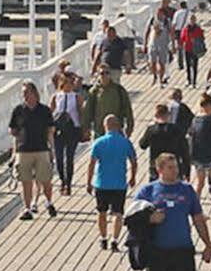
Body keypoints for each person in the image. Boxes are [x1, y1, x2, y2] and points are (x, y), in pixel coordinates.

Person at [9, 81, 57, 220]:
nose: (24, 96)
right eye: (23, 93)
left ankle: (48, 201)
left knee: (45, 179)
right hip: (23, 150)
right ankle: (27, 208)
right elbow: (14, 132)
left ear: (34, 93)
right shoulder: (18, 110)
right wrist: (14, 153)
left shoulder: (44, 110)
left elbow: (50, 131)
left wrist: (51, 150)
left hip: (41, 149)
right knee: (26, 181)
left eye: (26, 92)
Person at [89, 115, 138, 251]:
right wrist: (133, 177)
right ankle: (115, 240)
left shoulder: (99, 142)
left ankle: (103, 238)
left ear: (105, 126)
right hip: (119, 184)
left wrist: (89, 182)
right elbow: (134, 161)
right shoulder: (125, 142)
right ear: (118, 126)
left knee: (101, 212)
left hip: (101, 183)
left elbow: (91, 164)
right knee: (118, 213)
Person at [49, 72, 84, 196]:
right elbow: (50, 113)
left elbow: (81, 113)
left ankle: (68, 184)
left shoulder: (76, 97)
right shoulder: (56, 97)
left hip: (72, 129)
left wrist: (83, 129)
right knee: (59, 157)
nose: (68, 85)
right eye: (66, 82)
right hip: (58, 131)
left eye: (71, 82)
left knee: (69, 157)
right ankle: (62, 180)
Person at [188, 93, 211, 202]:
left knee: (200, 182)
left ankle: (195, 206)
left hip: (197, 154)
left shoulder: (196, 119)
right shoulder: (210, 120)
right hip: (209, 155)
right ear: (209, 106)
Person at [140, 102, 190, 181]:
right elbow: (185, 151)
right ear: (168, 115)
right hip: (173, 167)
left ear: (156, 115)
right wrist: (187, 171)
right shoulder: (176, 129)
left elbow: (142, 145)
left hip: (156, 167)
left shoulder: (151, 130)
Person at [82, 67, 135, 139]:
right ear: (98, 75)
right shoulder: (94, 91)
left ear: (110, 75)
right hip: (99, 131)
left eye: (107, 73)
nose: (104, 75)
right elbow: (88, 111)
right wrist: (86, 128)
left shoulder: (119, 90)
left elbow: (128, 109)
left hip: (116, 129)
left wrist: (129, 127)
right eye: (102, 73)